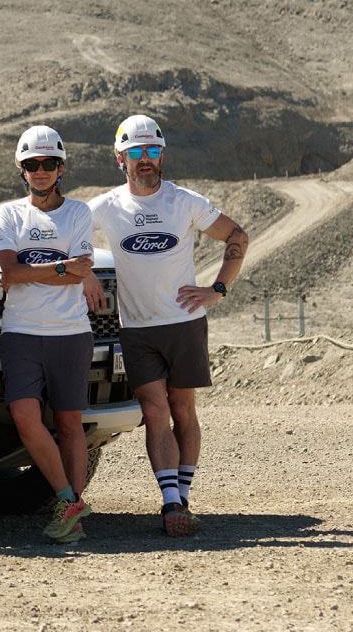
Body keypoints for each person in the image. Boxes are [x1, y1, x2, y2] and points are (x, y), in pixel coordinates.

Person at [86, 114, 248, 537]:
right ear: (119, 157)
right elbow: (66, 234)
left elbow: (237, 237)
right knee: (155, 413)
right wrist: (84, 273)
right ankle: (170, 502)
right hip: (137, 329)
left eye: (152, 151)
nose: (145, 160)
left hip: (185, 324)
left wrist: (218, 289)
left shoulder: (185, 201)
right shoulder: (105, 207)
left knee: (182, 410)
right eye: (136, 152)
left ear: (162, 155)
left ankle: (184, 496)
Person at [0, 125, 98, 544]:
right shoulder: (9, 214)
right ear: (21, 170)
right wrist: (60, 268)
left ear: (61, 167)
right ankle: (68, 498)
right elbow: (9, 274)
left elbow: (84, 270)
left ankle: (71, 515)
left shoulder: (78, 213)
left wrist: (42, 272)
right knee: (25, 417)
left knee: (71, 424)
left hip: (71, 333)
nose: (40, 171)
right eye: (32, 164)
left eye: (48, 163)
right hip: (20, 332)